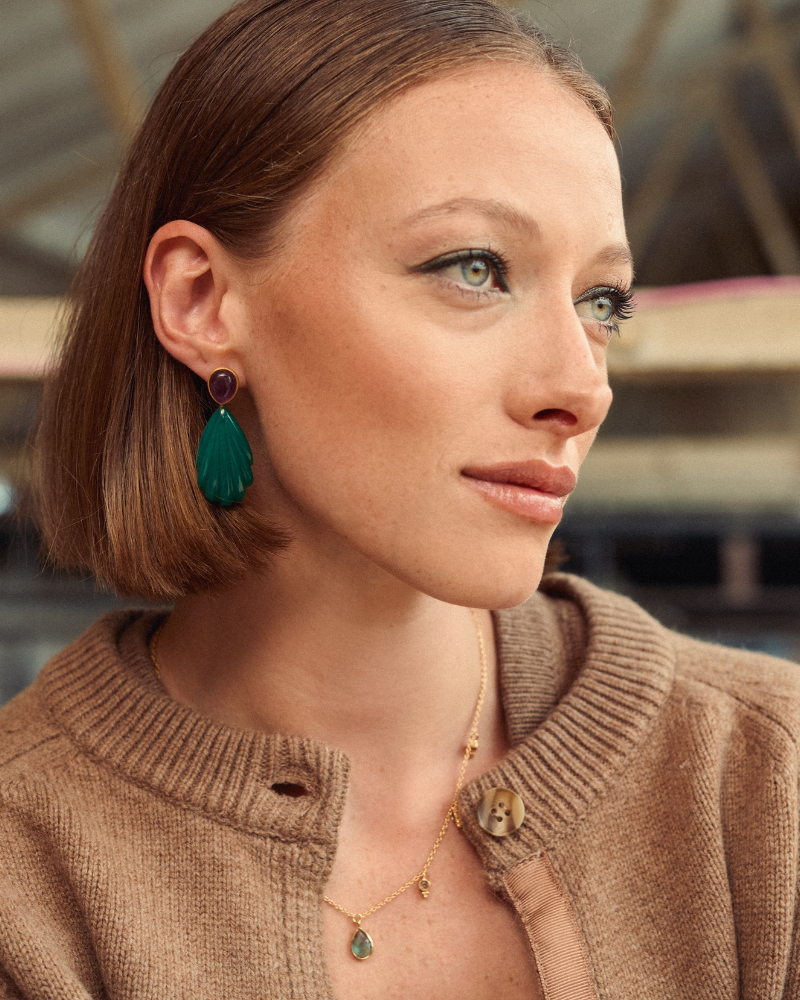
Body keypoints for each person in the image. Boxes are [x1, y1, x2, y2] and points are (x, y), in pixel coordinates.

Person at [1, 0, 799, 996]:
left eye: (600, 303)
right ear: (201, 302)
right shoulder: (26, 873)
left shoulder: (768, 785)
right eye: (473, 268)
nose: (580, 385)